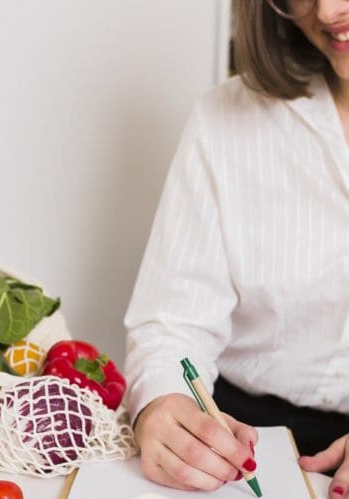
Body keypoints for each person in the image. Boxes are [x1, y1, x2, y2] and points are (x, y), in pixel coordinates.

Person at [124, 0, 349, 497]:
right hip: (236, 437)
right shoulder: (224, 119)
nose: (329, 12)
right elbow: (172, 325)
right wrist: (163, 405)